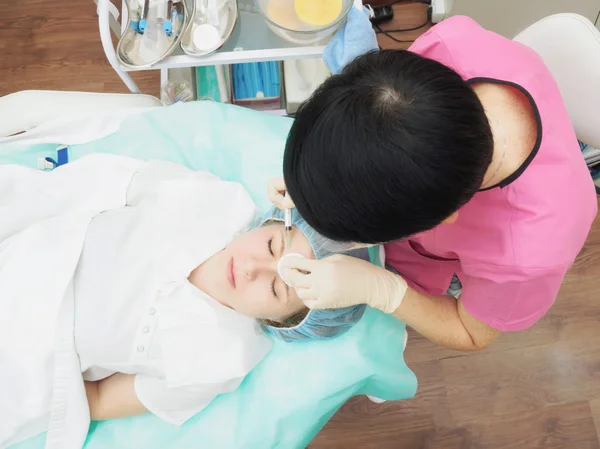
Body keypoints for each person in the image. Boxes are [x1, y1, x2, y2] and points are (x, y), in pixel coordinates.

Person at [269, 16, 598, 352]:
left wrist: (380, 290)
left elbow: (470, 333)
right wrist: (323, 176)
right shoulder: (450, 45)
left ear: (445, 219)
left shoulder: (529, 253)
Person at [1, 156, 365, 449]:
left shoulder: (219, 362)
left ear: (281, 322)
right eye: (272, 246)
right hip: (23, 246)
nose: (254, 269)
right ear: (270, 221)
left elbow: (94, 400)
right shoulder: (211, 199)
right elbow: (99, 183)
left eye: (276, 290)